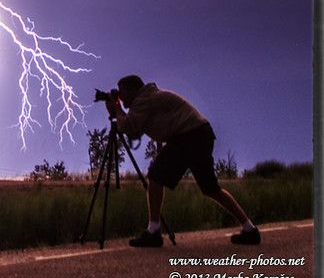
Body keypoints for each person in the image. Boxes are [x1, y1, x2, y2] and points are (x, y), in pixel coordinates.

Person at [104, 74, 260, 247]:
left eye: (122, 92)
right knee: (210, 188)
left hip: (187, 136)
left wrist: (116, 109)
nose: (120, 96)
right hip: (198, 133)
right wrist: (119, 110)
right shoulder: (147, 98)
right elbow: (134, 129)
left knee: (156, 177)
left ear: (133, 90)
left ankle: (153, 232)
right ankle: (249, 229)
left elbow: (128, 127)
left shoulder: (143, 99)